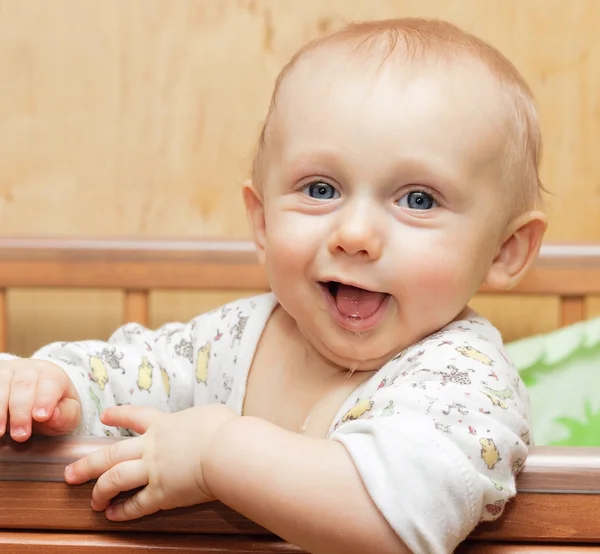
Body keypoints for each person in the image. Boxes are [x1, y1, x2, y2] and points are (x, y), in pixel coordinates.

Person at [0, 17, 547, 554]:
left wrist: (216, 453)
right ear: (263, 222)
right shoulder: (238, 335)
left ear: (505, 250)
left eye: (418, 200)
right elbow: (130, 373)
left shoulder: (467, 382)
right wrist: (55, 388)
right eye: (321, 188)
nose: (354, 234)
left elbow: (391, 521)